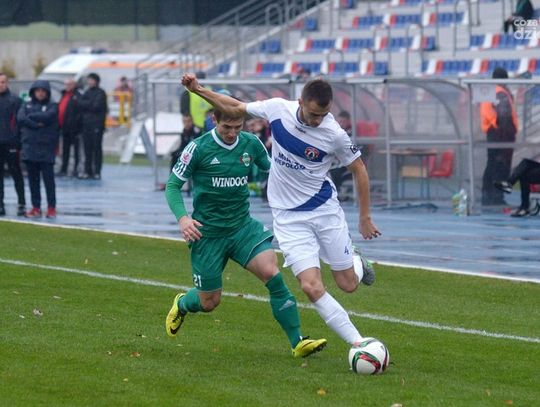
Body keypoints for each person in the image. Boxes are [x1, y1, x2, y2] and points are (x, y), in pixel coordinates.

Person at [181, 73, 381, 346]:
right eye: (313, 114)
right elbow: (235, 107)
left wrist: (365, 217)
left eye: (322, 115)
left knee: (348, 284)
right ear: (300, 102)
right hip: (288, 219)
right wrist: (198, 89)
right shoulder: (277, 109)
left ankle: (356, 261)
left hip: (324, 210)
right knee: (310, 286)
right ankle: (359, 344)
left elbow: (359, 169)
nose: (317, 120)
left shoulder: (334, 134)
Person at [164, 107, 327, 358]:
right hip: (208, 234)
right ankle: (183, 303)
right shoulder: (198, 148)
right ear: (214, 120)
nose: (232, 133)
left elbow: (275, 171)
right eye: (226, 127)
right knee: (209, 302)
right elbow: (173, 186)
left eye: (237, 127)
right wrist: (183, 218)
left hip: (242, 227)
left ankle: (298, 342)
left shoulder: (251, 143)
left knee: (272, 274)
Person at [17, 80, 59, 219]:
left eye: (43, 91)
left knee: (49, 181)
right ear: (33, 92)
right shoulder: (26, 104)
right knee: (33, 181)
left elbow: (48, 117)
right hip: (30, 148)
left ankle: (51, 207)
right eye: (38, 90)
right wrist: (36, 124)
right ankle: (36, 207)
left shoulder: (52, 105)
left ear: (47, 93)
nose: (40, 93)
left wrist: (31, 116)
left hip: (46, 148)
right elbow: (20, 119)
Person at [480, 67, 518, 206]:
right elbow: (504, 114)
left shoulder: (490, 91)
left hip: (492, 132)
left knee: (491, 164)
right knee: (501, 165)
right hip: (501, 133)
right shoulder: (501, 93)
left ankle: (487, 195)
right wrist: (507, 132)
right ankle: (497, 197)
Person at [0, 72, 25, 216]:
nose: (0, 85)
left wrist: (18, 141)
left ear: (7, 83)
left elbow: (20, 123)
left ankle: (21, 202)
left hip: (11, 143)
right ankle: (0, 204)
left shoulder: (15, 101)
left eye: (3, 82)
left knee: (16, 173)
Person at [79, 72, 108, 180]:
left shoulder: (101, 93)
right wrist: (88, 104)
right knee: (87, 149)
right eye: (88, 80)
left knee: (96, 149)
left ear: (96, 81)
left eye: (91, 80)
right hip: (86, 125)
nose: (89, 82)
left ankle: (97, 172)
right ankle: (88, 171)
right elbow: (80, 104)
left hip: (96, 125)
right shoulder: (87, 92)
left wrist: (86, 104)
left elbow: (96, 106)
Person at [57, 79, 83, 177]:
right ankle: (64, 169)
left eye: (69, 84)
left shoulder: (77, 96)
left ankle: (76, 169)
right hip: (64, 127)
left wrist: (77, 126)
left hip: (74, 128)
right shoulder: (64, 95)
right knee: (65, 150)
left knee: (76, 151)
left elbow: (79, 112)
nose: (67, 86)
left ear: (74, 85)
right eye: (66, 84)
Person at [330, 110, 354, 201]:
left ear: (348, 121)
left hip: (347, 163)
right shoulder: (335, 132)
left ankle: (337, 194)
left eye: (343, 121)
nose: (341, 123)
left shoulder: (351, 133)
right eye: (339, 121)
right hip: (336, 161)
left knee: (335, 172)